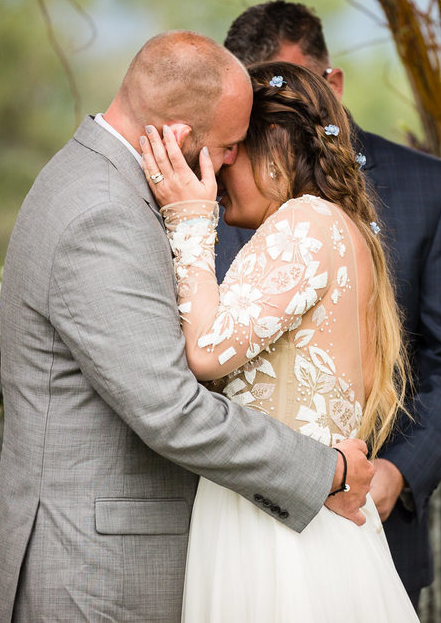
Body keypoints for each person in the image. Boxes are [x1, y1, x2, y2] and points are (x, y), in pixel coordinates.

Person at [0, 31, 372, 622]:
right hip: (95, 576)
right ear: (182, 136)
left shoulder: (100, 183)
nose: (233, 160)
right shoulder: (104, 212)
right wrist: (328, 469)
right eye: (230, 145)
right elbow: (171, 410)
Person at [219, 0, 441, 605]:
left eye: (282, 100)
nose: (262, 126)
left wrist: (398, 472)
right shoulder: (212, 182)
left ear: (330, 84)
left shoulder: (431, 189)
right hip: (232, 531)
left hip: (365, 525)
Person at [140, 60, 419, 621]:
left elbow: (205, 352)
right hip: (300, 511)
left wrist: (189, 219)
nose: (214, 174)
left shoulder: (305, 222)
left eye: (231, 149)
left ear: (276, 143)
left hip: (275, 533)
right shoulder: (345, 229)